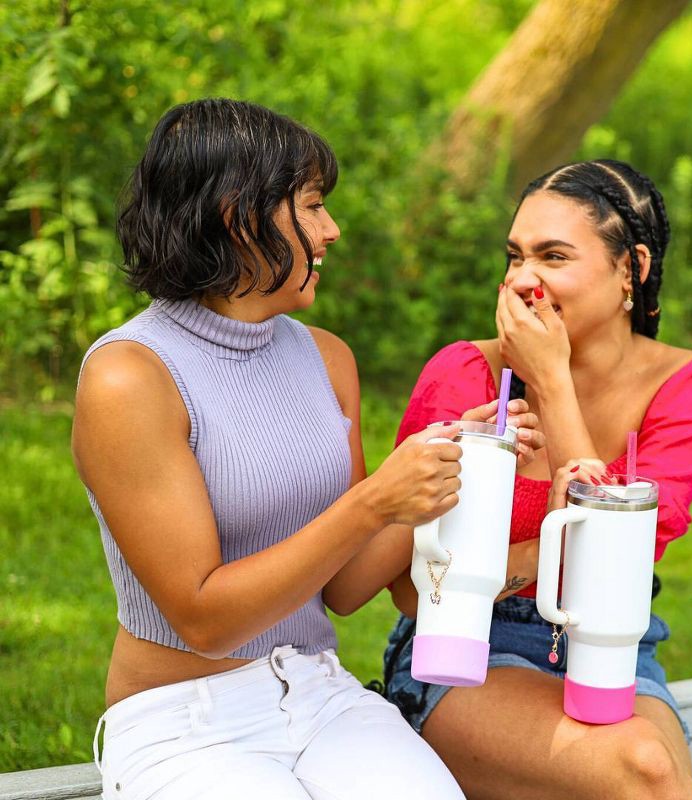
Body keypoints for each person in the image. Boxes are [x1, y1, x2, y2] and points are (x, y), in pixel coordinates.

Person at [72, 99, 542, 800]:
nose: (333, 230)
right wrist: (375, 498)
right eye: (315, 205)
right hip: (183, 720)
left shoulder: (326, 358)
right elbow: (205, 618)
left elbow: (346, 589)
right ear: (238, 215)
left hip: (320, 696)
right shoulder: (130, 377)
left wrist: (450, 467)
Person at [383, 159, 692, 800]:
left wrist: (553, 383)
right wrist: (521, 567)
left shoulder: (689, 384)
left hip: (615, 645)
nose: (522, 281)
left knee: (655, 770)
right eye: (514, 256)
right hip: (464, 649)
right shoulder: (467, 376)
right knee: (642, 772)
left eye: (553, 256)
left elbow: (607, 585)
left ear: (633, 268)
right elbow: (409, 589)